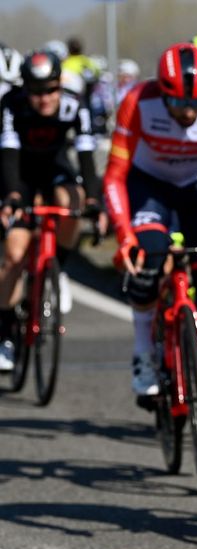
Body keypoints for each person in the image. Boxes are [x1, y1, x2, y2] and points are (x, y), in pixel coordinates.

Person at [103, 42, 197, 437]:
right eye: (178, 101)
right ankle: (144, 353)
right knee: (147, 259)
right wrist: (125, 234)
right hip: (151, 186)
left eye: (196, 102)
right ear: (162, 90)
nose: (189, 111)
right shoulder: (139, 101)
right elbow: (113, 175)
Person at [0, 50, 104, 373]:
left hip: (55, 168)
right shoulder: (12, 105)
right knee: (15, 254)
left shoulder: (75, 105)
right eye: (35, 91)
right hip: (21, 175)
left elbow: (86, 157)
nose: (43, 98)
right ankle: (4, 334)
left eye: (50, 90)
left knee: (72, 199)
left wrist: (94, 203)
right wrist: (13, 196)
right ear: (24, 88)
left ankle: (58, 267)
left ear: (60, 85)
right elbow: (8, 154)